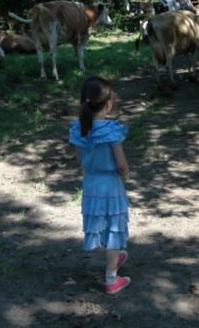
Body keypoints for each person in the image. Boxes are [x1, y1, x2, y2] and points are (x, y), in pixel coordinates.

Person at [69, 76, 131, 295]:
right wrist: (125, 172)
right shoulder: (111, 131)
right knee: (114, 229)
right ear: (108, 103)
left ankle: (115, 258)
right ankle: (111, 280)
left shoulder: (79, 129)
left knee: (102, 224)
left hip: (91, 185)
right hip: (111, 186)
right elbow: (122, 165)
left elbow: (79, 161)